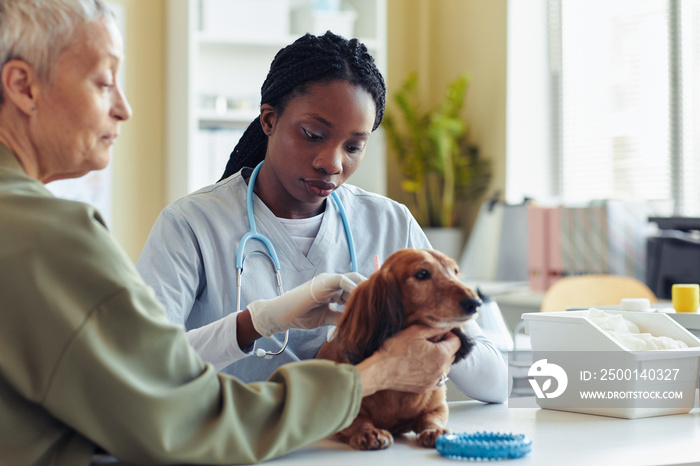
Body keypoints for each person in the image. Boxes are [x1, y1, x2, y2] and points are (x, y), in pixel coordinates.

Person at [0, 1, 463, 465]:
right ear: (22, 86)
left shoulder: (389, 219)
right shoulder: (51, 238)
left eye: (355, 145)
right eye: (103, 82)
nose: (124, 108)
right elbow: (178, 416)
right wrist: (371, 370)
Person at [136, 31, 509, 403]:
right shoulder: (191, 225)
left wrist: (418, 316)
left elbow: (495, 382)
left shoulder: (389, 223)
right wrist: (260, 321)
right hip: (239, 448)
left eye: (353, 147)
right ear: (269, 120)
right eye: (313, 134)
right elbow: (140, 367)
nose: (332, 163)